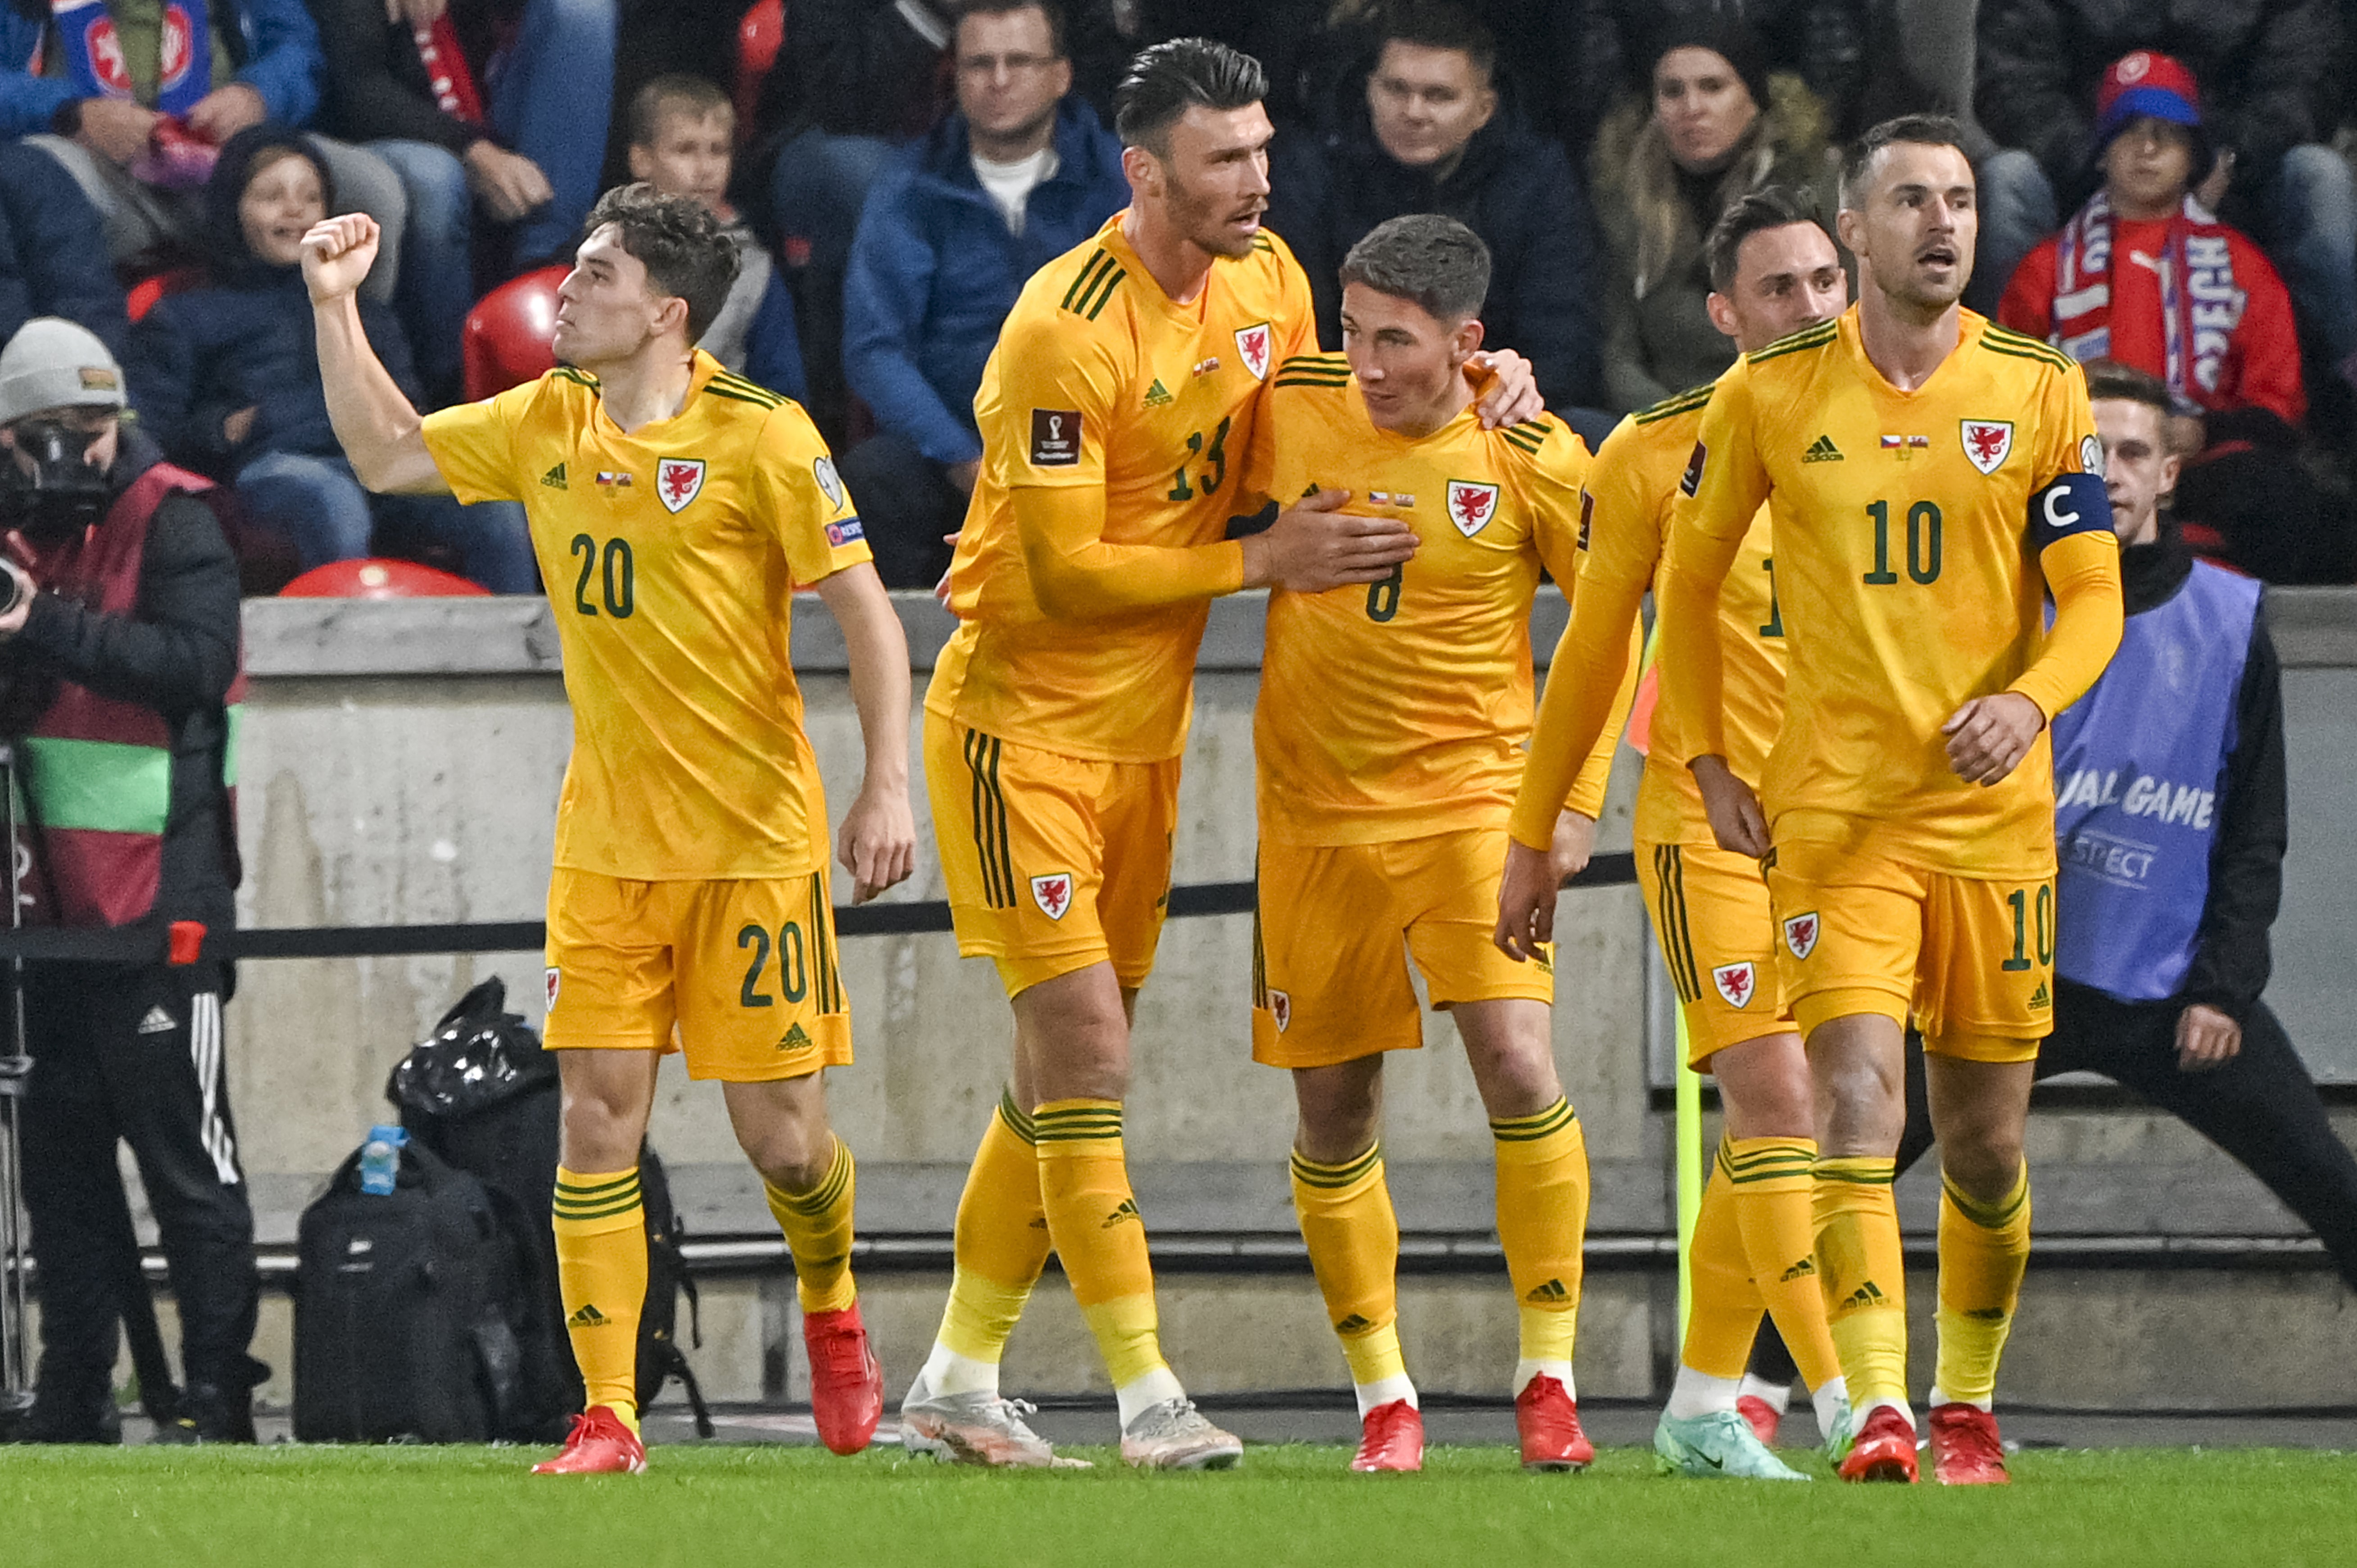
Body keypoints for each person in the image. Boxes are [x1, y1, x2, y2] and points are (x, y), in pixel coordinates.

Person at [898, 36, 1541, 1471]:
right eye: (1225, 159)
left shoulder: (1272, 282)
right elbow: (1061, 572)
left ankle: (954, 1371)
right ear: (1145, 173)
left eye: (1260, 149)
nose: (1259, 179)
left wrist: (1478, 387)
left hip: (1148, 743)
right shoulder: (1062, 328)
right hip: (1017, 732)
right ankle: (1146, 1399)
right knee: (1089, 1049)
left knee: (1055, 1072)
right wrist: (1261, 564)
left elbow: (1315, 432)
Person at [301, 182, 918, 1475]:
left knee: (786, 1144)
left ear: (666, 312)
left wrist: (887, 787)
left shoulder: (763, 437)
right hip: (605, 851)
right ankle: (608, 1414)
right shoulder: (548, 419)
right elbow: (387, 455)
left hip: (752, 843)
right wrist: (333, 306)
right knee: (594, 1123)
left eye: (594, 274)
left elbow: (866, 615)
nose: (565, 292)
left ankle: (831, 1299)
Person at [1654, 113, 2124, 1485]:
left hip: (1993, 820)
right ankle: (1874, 1408)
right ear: (1852, 231)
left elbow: (2091, 603)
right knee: (1851, 1102)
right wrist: (1704, 765)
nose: (1942, 223)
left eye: (1961, 201)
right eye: (1910, 199)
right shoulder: (1770, 394)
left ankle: (1964, 1396)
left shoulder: (2037, 387)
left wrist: (2024, 701)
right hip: (1836, 818)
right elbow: (1684, 594)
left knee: (1981, 1143)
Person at [1242, 214, 1628, 1475]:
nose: (1362, 362)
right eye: (1350, 331)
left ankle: (1549, 1379)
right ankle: (1384, 1396)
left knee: (1517, 1062)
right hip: (1313, 820)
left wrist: (1571, 811)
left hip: (1473, 806)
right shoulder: (1287, 404)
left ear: (1467, 344)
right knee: (1334, 1109)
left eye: (1393, 341)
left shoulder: (1531, 453)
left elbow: (1614, 627)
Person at [1496, 185, 1854, 1481]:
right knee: (1778, 1099)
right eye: (1778, 289)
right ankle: (1850, 1401)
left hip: (1857, 822)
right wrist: (1543, 826)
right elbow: (1593, 653)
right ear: (1723, 313)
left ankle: (1703, 1404)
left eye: (1824, 281)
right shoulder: (1653, 453)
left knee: (1811, 1118)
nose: (1808, 307)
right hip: (1706, 821)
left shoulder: (1905, 435)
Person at [1886, 360, 2357, 1306]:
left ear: (2169, 473)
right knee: (1852, 1152)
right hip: (2003, 963)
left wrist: (2223, 987)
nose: (2110, 472)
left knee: (2327, 1177)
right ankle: (1750, 1390)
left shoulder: (2229, 620)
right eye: (2089, 452)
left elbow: (2253, 829)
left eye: (2132, 451)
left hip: (2169, 983)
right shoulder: (1999, 599)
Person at [0, 316, 259, 1442]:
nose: (85, 455)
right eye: (58, 433)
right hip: (38, 910)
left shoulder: (180, 518)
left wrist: (40, 623)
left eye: (100, 430)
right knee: (59, 1179)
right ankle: (73, 1400)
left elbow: (196, 666)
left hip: (161, 906)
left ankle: (217, 1406)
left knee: (190, 1167)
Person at [124, 126, 534, 591]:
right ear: (232, 209)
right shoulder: (185, 315)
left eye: (311, 198)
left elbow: (409, 407)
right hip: (272, 470)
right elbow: (151, 433)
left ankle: (513, 662)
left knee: (494, 504)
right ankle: (346, 660)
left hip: (377, 463)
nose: (295, 210)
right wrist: (224, 429)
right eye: (272, 196)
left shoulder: (365, 310)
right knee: (332, 500)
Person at [840, 0, 1128, 588]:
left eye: (1018, 62)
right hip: (953, 459)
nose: (998, 81)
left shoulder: (1117, 179)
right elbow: (876, 349)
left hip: (1099, 448)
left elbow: (1154, 320)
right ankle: (906, 666)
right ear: (956, 74)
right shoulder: (908, 188)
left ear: (1060, 75)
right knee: (873, 476)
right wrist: (965, 460)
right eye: (979, 64)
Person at [1264, 1, 1605, 419]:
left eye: (1439, 96)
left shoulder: (1536, 178)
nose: (1414, 112)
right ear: (1369, 88)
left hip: (1488, 410)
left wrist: (1479, 394)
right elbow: (1302, 330)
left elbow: (1562, 339)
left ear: (1484, 109)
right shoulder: (1311, 169)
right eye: (1396, 89)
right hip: (1349, 405)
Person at [1971, 4, 2355, 374]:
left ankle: (2339, 397)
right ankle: (1997, 388)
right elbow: (2012, 81)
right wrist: (2103, 162)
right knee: (2008, 180)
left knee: (2321, 177)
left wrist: (2218, 160)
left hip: (2239, 173)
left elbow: (2307, 77)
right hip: (2083, 168)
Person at [4, 0, 412, 305]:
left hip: (229, 157)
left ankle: (357, 367)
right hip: (96, 159)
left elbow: (297, 46)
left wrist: (258, 95)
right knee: (35, 179)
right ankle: (88, 391)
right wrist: (70, 111)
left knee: (373, 191)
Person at [304, 0, 613, 400]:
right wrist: (473, 149)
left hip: (494, 107)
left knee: (583, 12)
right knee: (435, 181)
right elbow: (360, 91)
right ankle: (453, 383)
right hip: (387, 130)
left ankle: (543, 271)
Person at [1998, 53, 2305, 429]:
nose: (2147, 147)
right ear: (2101, 154)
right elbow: (2011, 392)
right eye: (2128, 130)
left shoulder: (2243, 265)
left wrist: (2206, 434)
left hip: (2211, 461)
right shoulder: (2047, 266)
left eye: (2169, 132)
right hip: (2078, 456)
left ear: (2194, 156)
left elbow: (2277, 401)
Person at [1586, 19, 1836, 413]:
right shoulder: (1624, 201)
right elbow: (1619, 357)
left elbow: (1846, 331)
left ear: (1754, 99)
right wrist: (1679, 424)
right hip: (1669, 419)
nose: (1692, 108)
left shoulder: (1817, 189)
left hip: (1793, 410)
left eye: (1713, 87)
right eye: (1672, 91)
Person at [624, 73, 805, 401]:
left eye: (718, 151)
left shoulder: (754, 268)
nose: (705, 168)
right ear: (642, 160)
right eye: (685, 150)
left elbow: (784, 396)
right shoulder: (604, 257)